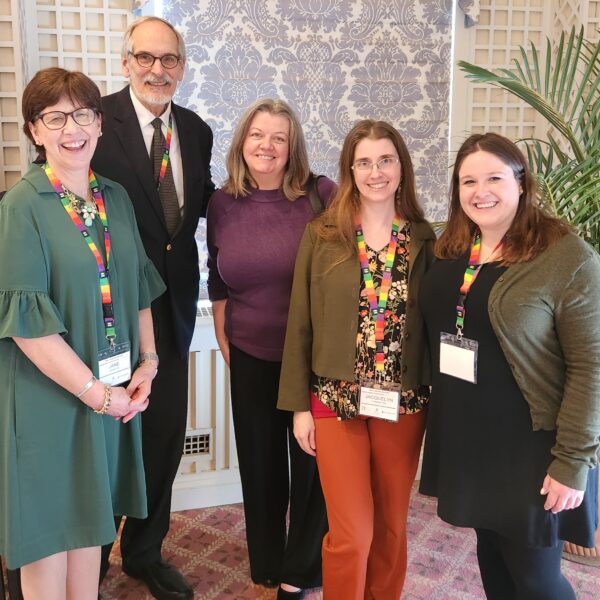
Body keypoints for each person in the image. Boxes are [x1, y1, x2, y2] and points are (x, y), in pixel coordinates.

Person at [0, 67, 165, 600]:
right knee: (50, 543)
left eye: (83, 114)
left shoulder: (113, 197)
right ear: (34, 129)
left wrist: (149, 362)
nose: (72, 128)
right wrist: (100, 396)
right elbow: (29, 330)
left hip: (110, 394)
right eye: (55, 117)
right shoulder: (21, 207)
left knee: (89, 540)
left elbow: (138, 284)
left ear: (98, 122)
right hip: (51, 400)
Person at [419, 132, 600, 600]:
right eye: (468, 180)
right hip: (470, 438)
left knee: (537, 580)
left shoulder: (566, 258)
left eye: (495, 177)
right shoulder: (455, 247)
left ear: (522, 182)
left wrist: (572, 462)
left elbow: (592, 367)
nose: (481, 191)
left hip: (532, 448)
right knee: (493, 561)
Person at [278, 119, 435, 599]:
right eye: (363, 162)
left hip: (402, 403)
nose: (376, 172)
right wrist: (300, 407)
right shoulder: (323, 235)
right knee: (352, 533)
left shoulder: (427, 240)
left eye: (385, 160)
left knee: (390, 528)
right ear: (350, 170)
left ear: (401, 167)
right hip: (334, 399)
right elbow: (300, 322)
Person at [91, 16, 215, 600]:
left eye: (169, 60)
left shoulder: (195, 130)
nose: (157, 70)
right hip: (108, 313)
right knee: (106, 438)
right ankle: (88, 557)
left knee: (163, 435)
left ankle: (144, 552)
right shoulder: (95, 122)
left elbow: (204, 203)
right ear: (125, 63)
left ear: (182, 68)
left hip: (173, 312)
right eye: (145, 57)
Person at [207, 98, 335, 599]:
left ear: (292, 147)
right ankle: (266, 561)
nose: (267, 146)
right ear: (242, 141)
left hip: (311, 360)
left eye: (279, 138)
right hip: (249, 354)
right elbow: (217, 279)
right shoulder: (222, 202)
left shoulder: (320, 195)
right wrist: (223, 340)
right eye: (258, 135)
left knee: (311, 467)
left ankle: (301, 569)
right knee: (260, 466)